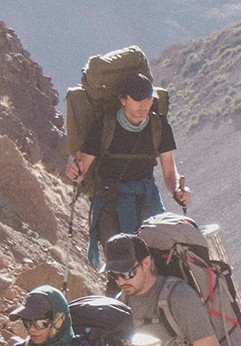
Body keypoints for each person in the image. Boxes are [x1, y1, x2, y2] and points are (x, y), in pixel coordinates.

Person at [67, 70, 189, 267]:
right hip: (110, 204)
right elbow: (83, 167)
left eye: (148, 100)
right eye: (138, 100)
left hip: (145, 201)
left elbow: (169, 171)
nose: (144, 106)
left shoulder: (159, 126)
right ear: (123, 100)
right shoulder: (104, 126)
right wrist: (74, 172)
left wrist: (177, 191)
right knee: (122, 265)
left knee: (155, 263)